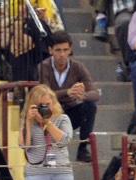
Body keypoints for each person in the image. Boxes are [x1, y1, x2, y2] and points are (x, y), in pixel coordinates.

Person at [38, 31, 99, 163]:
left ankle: (83, 148)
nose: (62, 54)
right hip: (49, 114)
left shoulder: (78, 67)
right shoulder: (44, 67)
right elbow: (46, 95)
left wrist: (82, 95)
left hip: (70, 113)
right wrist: (68, 92)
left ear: (70, 50)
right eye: (58, 50)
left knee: (90, 106)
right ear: (50, 50)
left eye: (65, 50)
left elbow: (95, 93)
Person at [18, 84, 74, 180]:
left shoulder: (62, 119)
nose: (45, 108)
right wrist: (27, 121)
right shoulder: (28, 121)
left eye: (47, 104)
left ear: (53, 103)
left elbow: (64, 140)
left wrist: (46, 122)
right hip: (36, 174)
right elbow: (23, 145)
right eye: (41, 106)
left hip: (62, 174)